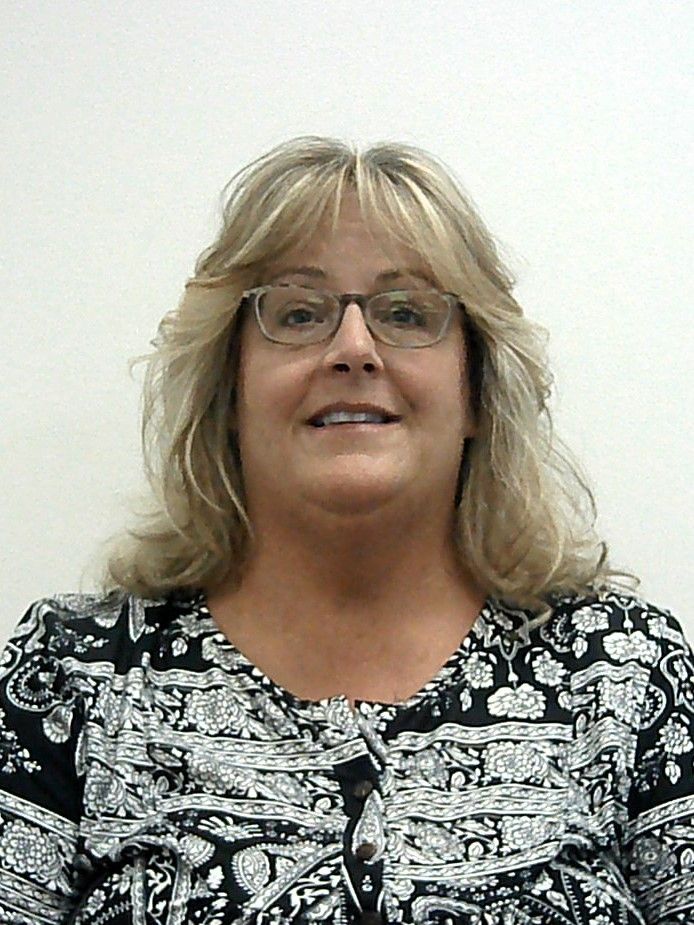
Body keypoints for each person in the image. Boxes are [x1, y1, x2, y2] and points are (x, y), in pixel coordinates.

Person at [0, 136, 692, 925]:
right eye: (298, 312)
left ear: (476, 390)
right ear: (230, 389)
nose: (354, 348)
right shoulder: (76, 678)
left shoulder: (623, 677)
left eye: (406, 313)